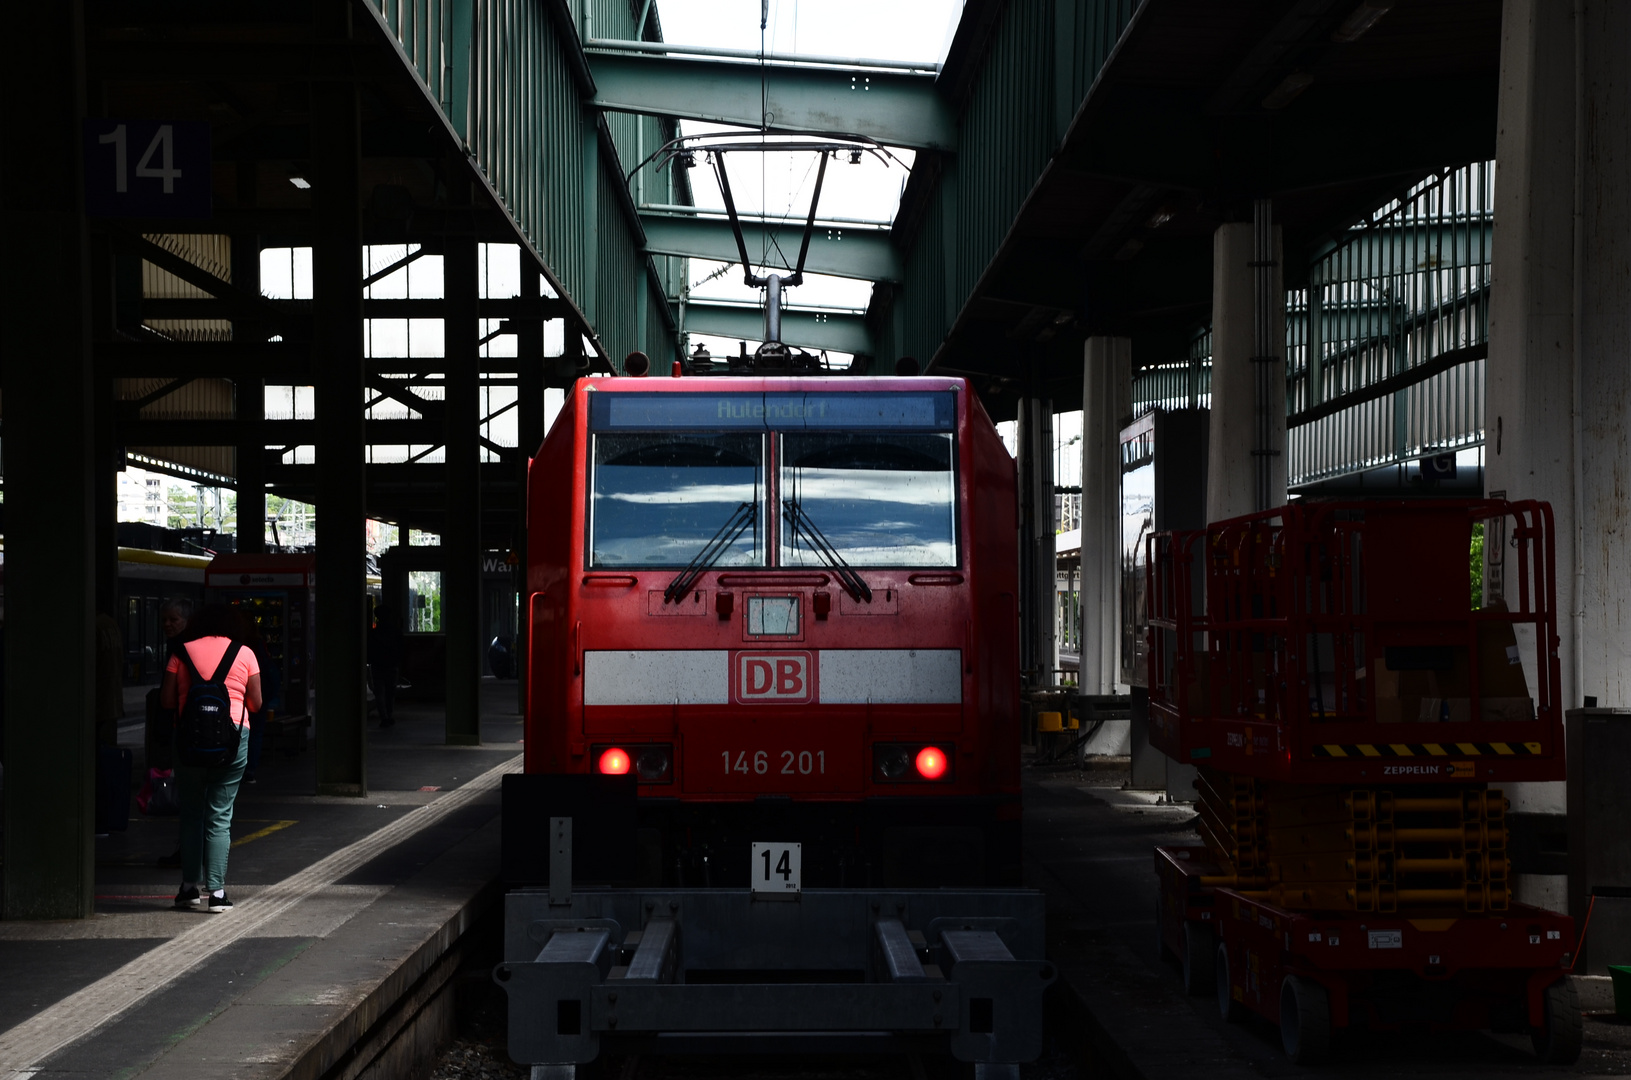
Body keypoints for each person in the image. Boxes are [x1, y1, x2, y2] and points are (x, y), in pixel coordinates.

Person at [160, 603, 261, 913]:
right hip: (231, 741)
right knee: (219, 815)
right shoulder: (244, 653)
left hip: (187, 742)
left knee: (191, 814)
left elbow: (166, 701)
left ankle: (189, 889)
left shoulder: (181, 651)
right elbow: (255, 703)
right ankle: (216, 894)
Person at [152, 598, 192, 869]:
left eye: (173, 619)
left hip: (183, 727)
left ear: (185, 620)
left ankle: (187, 852)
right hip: (192, 727)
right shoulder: (187, 645)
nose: (167, 624)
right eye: (164, 619)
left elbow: (167, 700)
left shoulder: (180, 650)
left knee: (188, 795)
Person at [228, 606, 269, 784]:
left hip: (235, 704)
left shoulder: (234, 645)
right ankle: (249, 769)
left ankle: (236, 768)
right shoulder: (257, 645)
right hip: (255, 696)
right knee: (255, 733)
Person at [368, 605, 403, 728]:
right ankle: (389, 714)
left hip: (377, 665)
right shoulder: (395, 632)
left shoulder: (373, 633)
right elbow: (400, 649)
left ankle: (384, 716)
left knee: (379, 692)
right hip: (392, 665)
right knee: (390, 692)